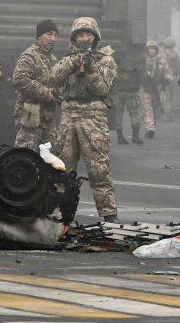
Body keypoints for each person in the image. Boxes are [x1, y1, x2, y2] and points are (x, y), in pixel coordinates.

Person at [49, 17, 119, 223]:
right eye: (80, 34)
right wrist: (72, 63)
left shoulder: (105, 60)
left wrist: (90, 69)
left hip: (93, 117)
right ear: (74, 37)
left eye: (88, 34)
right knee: (62, 168)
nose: (84, 38)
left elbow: (102, 88)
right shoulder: (67, 59)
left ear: (95, 37)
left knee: (98, 168)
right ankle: (61, 213)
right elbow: (53, 78)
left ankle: (109, 214)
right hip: (69, 116)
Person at [12, 19, 60, 150]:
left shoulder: (53, 59)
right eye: (49, 34)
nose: (53, 38)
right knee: (26, 155)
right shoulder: (29, 56)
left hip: (47, 117)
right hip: (30, 115)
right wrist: (45, 92)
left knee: (51, 157)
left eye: (55, 35)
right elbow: (19, 79)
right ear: (39, 36)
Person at [139, 40, 173, 138]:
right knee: (147, 108)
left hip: (157, 89)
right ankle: (150, 128)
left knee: (156, 109)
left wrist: (167, 79)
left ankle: (152, 125)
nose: (152, 51)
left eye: (153, 49)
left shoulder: (161, 61)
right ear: (147, 50)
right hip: (145, 88)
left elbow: (168, 72)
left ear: (156, 50)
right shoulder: (142, 61)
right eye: (150, 48)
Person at [112, 51, 145, 145]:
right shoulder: (136, 57)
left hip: (121, 91)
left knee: (119, 115)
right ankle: (134, 137)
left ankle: (121, 137)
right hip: (130, 91)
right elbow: (142, 75)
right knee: (135, 114)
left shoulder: (115, 56)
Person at [160, 37, 180, 118]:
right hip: (175, 78)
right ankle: (175, 110)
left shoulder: (163, 55)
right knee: (175, 95)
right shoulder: (176, 54)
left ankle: (168, 112)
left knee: (166, 96)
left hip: (166, 78)